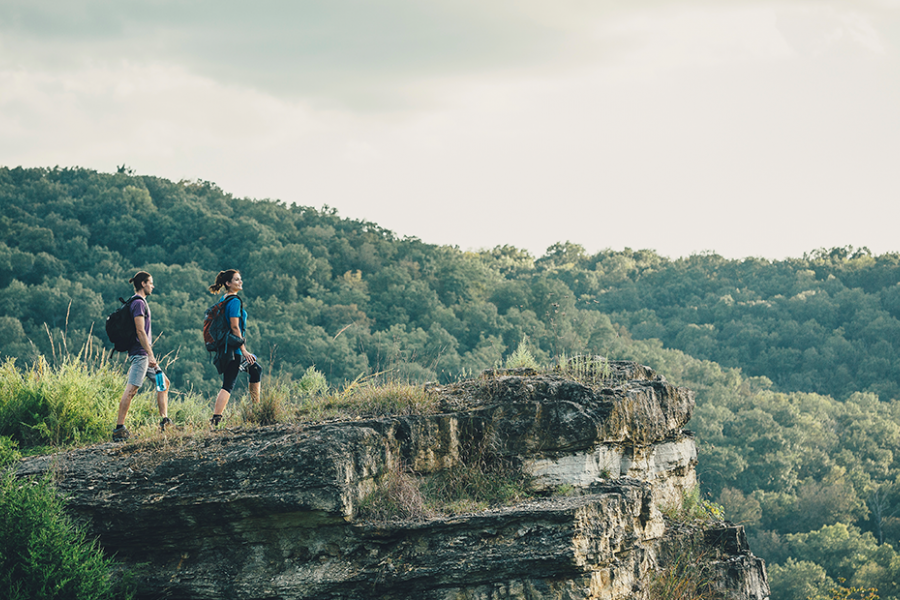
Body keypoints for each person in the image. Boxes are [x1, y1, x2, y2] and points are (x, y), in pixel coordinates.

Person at [113, 271, 171, 441]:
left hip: (144, 354)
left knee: (164, 383)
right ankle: (119, 429)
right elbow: (140, 331)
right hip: (141, 354)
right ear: (143, 284)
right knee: (131, 390)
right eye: (150, 283)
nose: (153, 286)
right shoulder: (138, 303)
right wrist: (150, 354)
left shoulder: (139, 302)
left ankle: (164, 421)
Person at [208, 269, 261, 427]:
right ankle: (216, 418)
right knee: (228, 384)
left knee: (255, 369)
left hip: (225, 348)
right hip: (233, 350)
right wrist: (243, 350)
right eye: (237, 280)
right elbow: (235, 327)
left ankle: (256, 410)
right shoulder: (235, 301)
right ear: (228, 283)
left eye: (240, 279)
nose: (240, 282)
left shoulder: (222, 301)